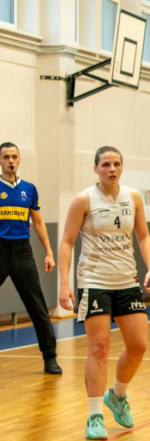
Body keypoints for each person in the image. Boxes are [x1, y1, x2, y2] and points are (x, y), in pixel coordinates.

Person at [57, 146, 150, 440]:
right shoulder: (84, 199)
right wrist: (63, 284)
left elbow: (143, 236)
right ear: (96, 168)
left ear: (122, 167)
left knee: (138, 346)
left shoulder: (133, 197)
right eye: (105, 164)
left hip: (127, 280)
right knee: (99, 348)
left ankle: (117, 395)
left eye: (116, 164)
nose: (112, 169)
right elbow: (66, 242)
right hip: (95, 281)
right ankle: (94, 416)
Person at [0, 142, 62, 374]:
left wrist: (49, 252)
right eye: (6, 157)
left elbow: (38, 222)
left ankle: (50, 357)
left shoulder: (29, 189)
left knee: (37, 306)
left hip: (22, 252)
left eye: (14, 156)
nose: (11, 161)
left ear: (19, 159)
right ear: (0, 161)